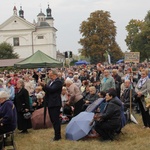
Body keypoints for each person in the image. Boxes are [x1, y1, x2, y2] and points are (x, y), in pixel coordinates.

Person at [40, 70, 63, 141]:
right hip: (50, 102)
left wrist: (45, 85)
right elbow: (48, 90)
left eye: (50, 75)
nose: (49, 76)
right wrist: (43, 86)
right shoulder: (50, 82)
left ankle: (57, 136)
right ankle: (56, 134)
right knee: (52, 119)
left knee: (55, 120)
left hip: (55, 103)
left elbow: (52, 89)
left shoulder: (58, 82)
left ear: (54, 75)